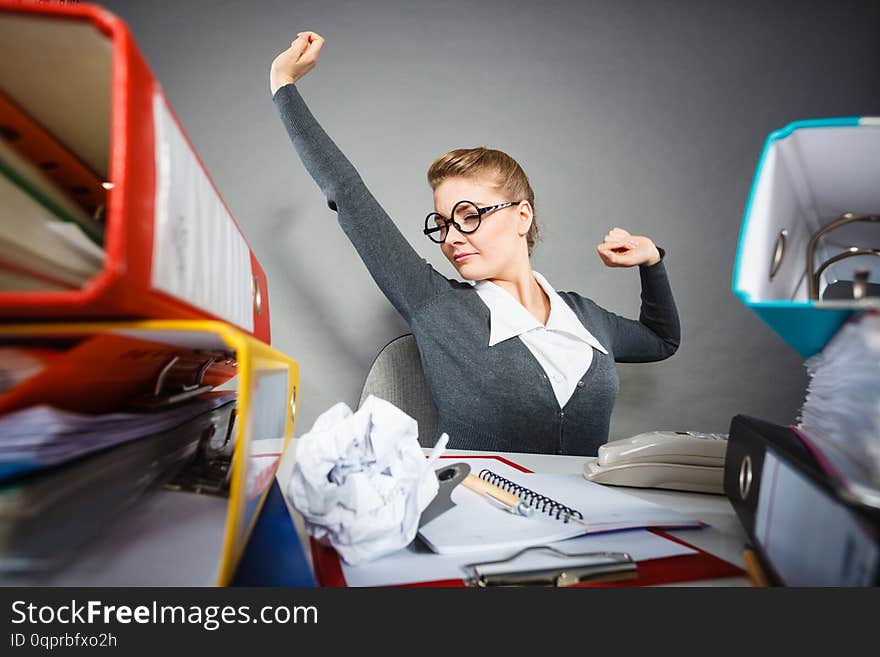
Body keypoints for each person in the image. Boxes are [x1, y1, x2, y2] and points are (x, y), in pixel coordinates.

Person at [270, 32, 680, 456]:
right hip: (475, 515)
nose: (450, 238)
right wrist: (284, 85)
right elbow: (347, 192)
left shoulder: (587, 318)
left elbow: (661, 340)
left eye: (469, 216)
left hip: (588, 519)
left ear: (523, 216)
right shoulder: (436, 306)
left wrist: (652, 262)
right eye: (443, 224)